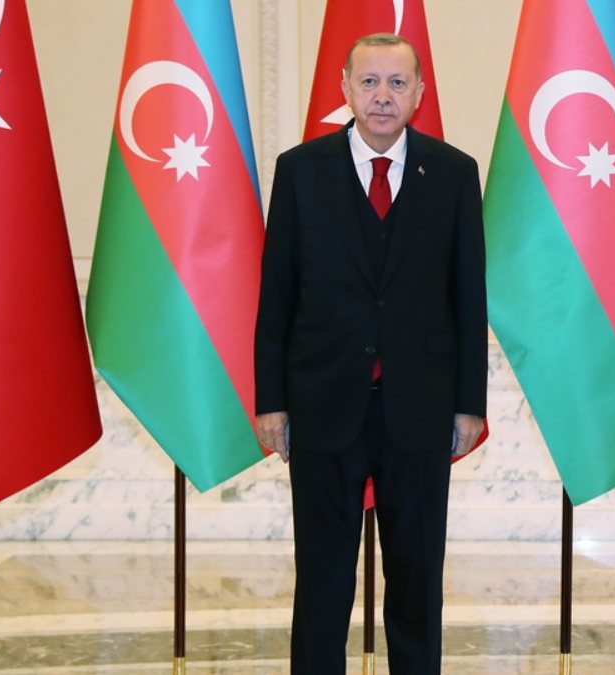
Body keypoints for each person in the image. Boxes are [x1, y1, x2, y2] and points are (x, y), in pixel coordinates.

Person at [254, 33, 486, 675]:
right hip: (322, 404)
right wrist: (271, 400)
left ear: (419, 93)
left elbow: (468, 295)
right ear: (346, 89)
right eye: (369, 82)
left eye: (397, 83)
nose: (383, 96)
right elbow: (277, 294)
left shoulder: (454, 172)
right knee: (322, 580)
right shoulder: (300, 170)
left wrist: (469, 403)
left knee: (417, 580)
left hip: (421, 407)